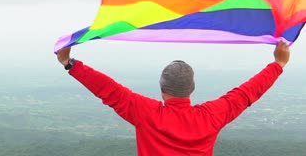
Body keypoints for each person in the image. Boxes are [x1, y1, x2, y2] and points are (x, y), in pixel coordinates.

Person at [55, 41, 291, 156]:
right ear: (192, 88)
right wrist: (278, 63)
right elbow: (247, 93)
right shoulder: (211, 116)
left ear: (162, 88)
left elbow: (108, 90)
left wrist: (70, 63)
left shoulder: (147, 113)